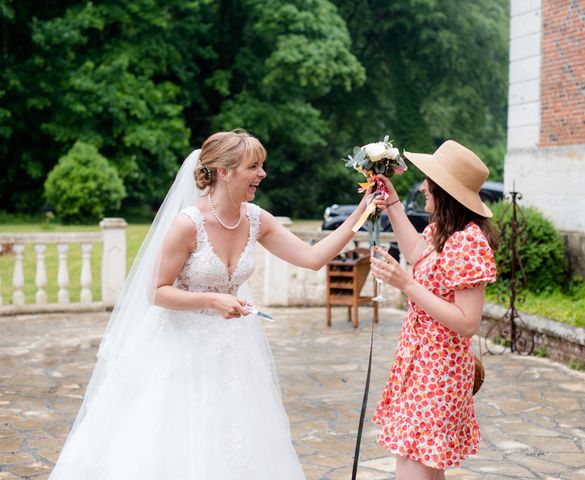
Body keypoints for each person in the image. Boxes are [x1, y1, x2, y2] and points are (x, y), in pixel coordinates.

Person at [49, 129, 370, 480]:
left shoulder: (256, 219)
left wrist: (361, 212)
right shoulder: (188, 224)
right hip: (178, 347)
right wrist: (211, 299)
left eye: (262, 166)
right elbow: (155, 291)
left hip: (234, 350)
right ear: (224, 171)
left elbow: (312, 257)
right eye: (254, 166)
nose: (262, 174)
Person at [369, 140, 499, 480]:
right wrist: (393, 202)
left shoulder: (468, 241)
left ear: (445, 190)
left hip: (439, 372)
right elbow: (415, 251)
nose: (423, 186)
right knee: (425, 469)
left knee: (413, 468)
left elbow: (468, 322)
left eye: (430, 181)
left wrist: (407, 285)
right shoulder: (443, 230)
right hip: (418, 365)